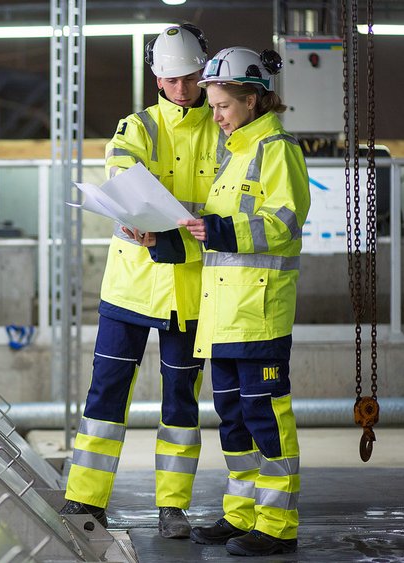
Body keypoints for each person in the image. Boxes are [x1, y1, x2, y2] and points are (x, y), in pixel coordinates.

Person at [59, 24, 223, 539]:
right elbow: (122, 173)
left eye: (190, 78)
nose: (181, 88)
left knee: (181, 402)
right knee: (106, 395)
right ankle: (84, 500)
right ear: (157, 77)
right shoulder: (137, 128)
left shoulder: (224, 131)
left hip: (190, 287)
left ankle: (172, 508)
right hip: (131, 286)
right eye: (172, 79)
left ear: (203, 73)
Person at [153, 46, 309, 556]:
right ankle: (241, 514)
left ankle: (276, 524)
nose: (213, 114)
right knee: (234, 420)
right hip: (223, 319)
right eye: (214, 104)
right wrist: (166, 240)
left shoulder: (276, 150)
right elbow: (212, 236)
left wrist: (218, 229)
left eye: (222, 105)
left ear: (253, 99)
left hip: (259, 317)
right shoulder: (234, 151)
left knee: (266, 419)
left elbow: (283, 224)